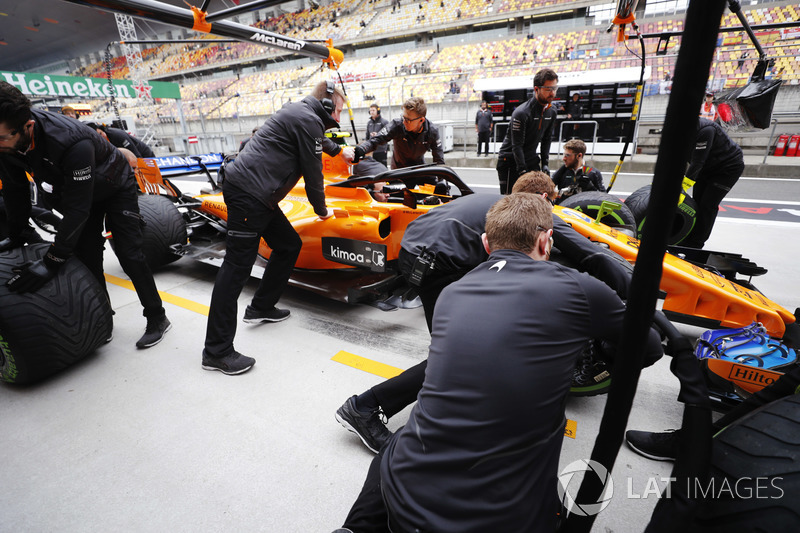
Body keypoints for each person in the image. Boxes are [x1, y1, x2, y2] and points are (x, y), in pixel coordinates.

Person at [335, 193, 663, 532]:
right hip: (501, 519)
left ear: (486, 243)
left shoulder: (452, 293)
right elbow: (650, 348)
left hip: (402, 499)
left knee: (402, 441)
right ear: (546, 240)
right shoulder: (577, 288)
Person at [335, 172, 635, 452]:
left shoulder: (494, 205)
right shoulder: (534, 214)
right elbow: (590, 254)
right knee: (461, 354)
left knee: (459, 351)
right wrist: (634, 295)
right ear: (543, 198)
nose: (551, 212)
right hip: (438, 265)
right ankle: (364, 407)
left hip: (417, 254)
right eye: (551, 203)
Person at [0, 81, 171, 348]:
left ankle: (157, 317)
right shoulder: (6, 140)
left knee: (129, 253)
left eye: (1, 138)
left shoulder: (70, 141)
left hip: (115, 185)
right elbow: (14, 189)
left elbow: (78, 208)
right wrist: (17, 233)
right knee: (89, 257)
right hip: (76, 190)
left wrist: (52, 261)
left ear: (28, 127)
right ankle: (103, 318)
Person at [202, 81, 346, 375]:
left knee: (288, 244)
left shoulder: (302, 113)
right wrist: (322, 211)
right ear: (328, 106)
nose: (340, 118)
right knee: (235, 269)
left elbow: (319, 140)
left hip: (258, 196)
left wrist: (342, 151)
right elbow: (313, 174)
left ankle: (261, 307)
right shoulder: (307, 120)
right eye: (339, 111)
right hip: (249, 196)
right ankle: (216, 351)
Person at [681, 117, 744, 249]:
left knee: (707, 205)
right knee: (696, 203)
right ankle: (686, 235)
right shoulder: (678, 131)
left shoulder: (705, 130)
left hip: (727, 168)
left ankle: (696, 243)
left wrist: (684, 187)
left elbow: (697, 162)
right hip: (707, 166)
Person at [496, 68, 558, 194]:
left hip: (531, 158)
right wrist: (522, 171)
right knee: (511, 202)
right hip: (509, 160)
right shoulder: (522, 112)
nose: (552, 93)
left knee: (536, 198)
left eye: (554, 88)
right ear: (536, 89)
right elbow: (516, 145)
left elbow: (547, 139)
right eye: (548, 89)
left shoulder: (552, 111)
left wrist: (545, 163)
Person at [352, 97, 444, 170]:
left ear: (421, 120)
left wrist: (442, 181)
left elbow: (439, 160)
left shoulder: (432, 131)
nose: (404, 122)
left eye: (408, 120)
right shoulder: (397, 125)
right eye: (403, 117)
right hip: (398, 170)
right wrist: (362, 149)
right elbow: (375, 140)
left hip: (418, 169)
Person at [86, 122, 155, 159]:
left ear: (101, 129)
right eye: (99, 137)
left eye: (101, 133)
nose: (102, 136)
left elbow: (135, 154)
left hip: (143, 155)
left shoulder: (116, 135)